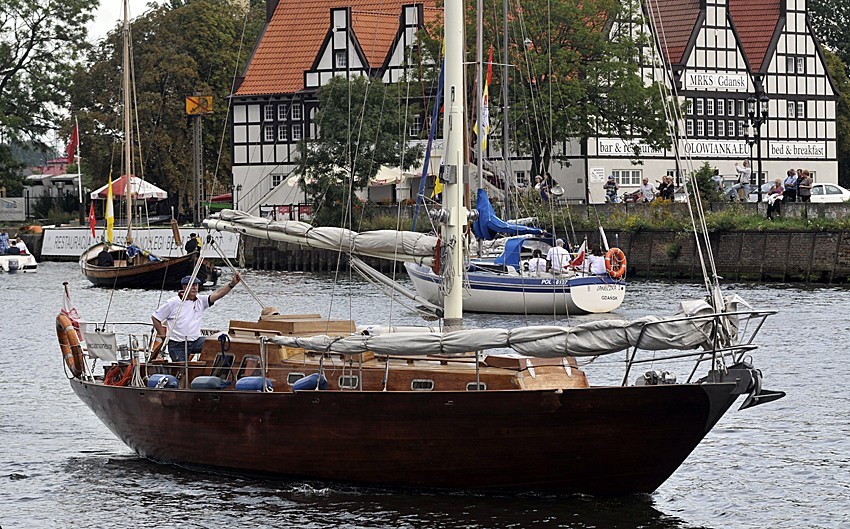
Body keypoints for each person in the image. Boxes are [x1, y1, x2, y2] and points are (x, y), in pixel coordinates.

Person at [151, 272, 242, 362]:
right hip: (177, 345)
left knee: (220, 344)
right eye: (192, 285)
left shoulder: (200, 300)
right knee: (182, 369)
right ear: (184, 287)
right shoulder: (172, 303)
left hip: (196, 341)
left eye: (196, 285)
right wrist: (163, 335)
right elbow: (155, 317)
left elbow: (218, 294)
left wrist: (232, 284)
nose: (195, 288)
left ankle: (213, 371)